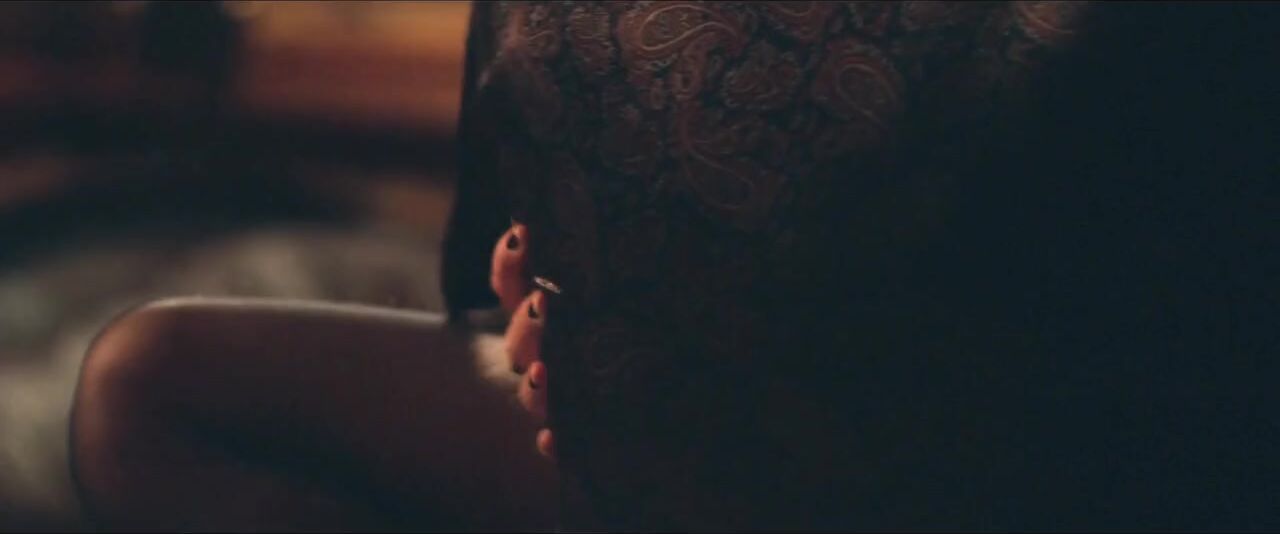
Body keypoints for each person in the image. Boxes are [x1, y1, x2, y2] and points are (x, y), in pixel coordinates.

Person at [71, 2, 1279, 531]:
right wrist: (544, 333)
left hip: (1075, 471)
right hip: (674, 456)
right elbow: (497, 275)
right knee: (155, 379)